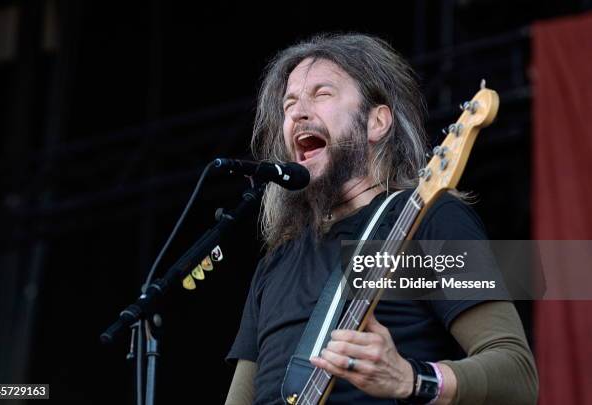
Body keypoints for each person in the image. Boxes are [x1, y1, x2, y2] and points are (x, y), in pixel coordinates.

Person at [225, 33, 538, 405]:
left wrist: (411, 378)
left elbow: (517, 374)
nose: (297, 112)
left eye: (322, 94)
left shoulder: (430, 221)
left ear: (377, 122)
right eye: (289, 103)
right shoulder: (275, 264)